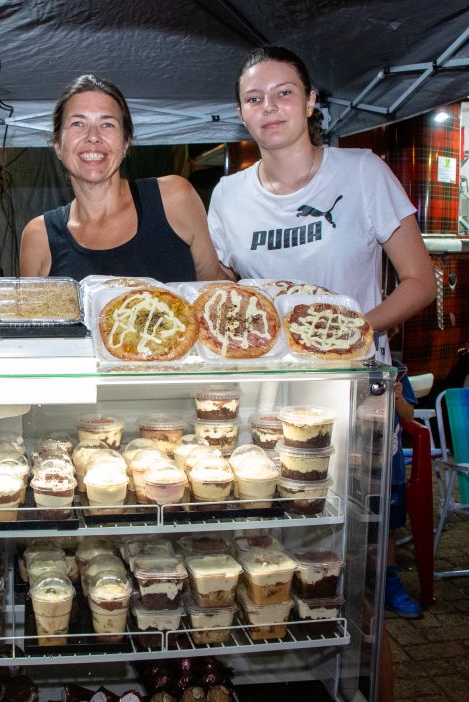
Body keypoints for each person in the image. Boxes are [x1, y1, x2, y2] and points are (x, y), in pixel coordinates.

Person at [208, 46, 435, 361]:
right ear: (241, 114)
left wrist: (345, 331)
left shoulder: (362, 171)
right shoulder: (227, 195)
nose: (269, 107)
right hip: (269, 371)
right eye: (254, 99)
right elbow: (222, 287)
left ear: (310, 101)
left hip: (351, 368)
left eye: (283, 93)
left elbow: (421, 282)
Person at [19, 74, 224, 281]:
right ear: (57, 145)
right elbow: (31, 314)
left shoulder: (174, 199)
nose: (93, 136)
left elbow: (217, 293)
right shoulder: (40, 237)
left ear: (126, 143)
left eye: (107, 124)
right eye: (78, 124)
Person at [385, 359, 421, 618]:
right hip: (356, 463)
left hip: (390, 466)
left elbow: (409, 416)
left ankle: (390, 583)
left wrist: (397, 396)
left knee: (388, 528)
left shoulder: (398, 369)